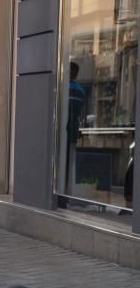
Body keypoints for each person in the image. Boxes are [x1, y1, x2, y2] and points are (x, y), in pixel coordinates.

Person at [66, 61, 86, 193]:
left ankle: (63, 191)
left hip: (63, 131)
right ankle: (68, 190)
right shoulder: (81, 90)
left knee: (61, 163)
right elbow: (80, 111)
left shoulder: (65, 87)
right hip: (73, 131)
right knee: (69, 162)